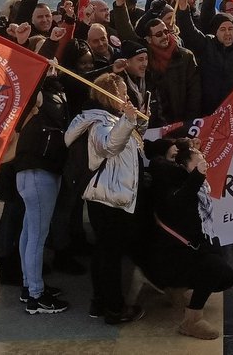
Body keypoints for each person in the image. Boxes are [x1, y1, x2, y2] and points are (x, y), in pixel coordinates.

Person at [65, 72, 147, 325]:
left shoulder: (107, 118)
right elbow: (109, 146)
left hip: (107, 195)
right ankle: (114, 309)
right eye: (122, 93)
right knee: (109, 255)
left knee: (104, 252)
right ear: (109, 95)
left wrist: (133, 122)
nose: (126, 98)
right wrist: (128, 121)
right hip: (108, 198)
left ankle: (100, 301)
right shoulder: (99, 122)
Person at [146, 141, 233, 340]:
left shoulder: (195, 188)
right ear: (186, 167)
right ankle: (192, 320)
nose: (205, 163)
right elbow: (179, 202)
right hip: (168, 261)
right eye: (199, 161)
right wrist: (196, 177)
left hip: (185, 253)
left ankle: (179, 288)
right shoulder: (171, 191)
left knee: (225, 274)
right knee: (215, 268)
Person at [14, 64, 71, 314]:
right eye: (49, 66)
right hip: (38, 174)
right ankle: (37, 296)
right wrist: (40, 65)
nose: (54, 68)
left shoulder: (52, 93)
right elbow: (33, 78)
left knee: (29, 232)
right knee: (37, 236)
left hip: (34, 173)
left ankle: (29, 286)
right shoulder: (32, 95)